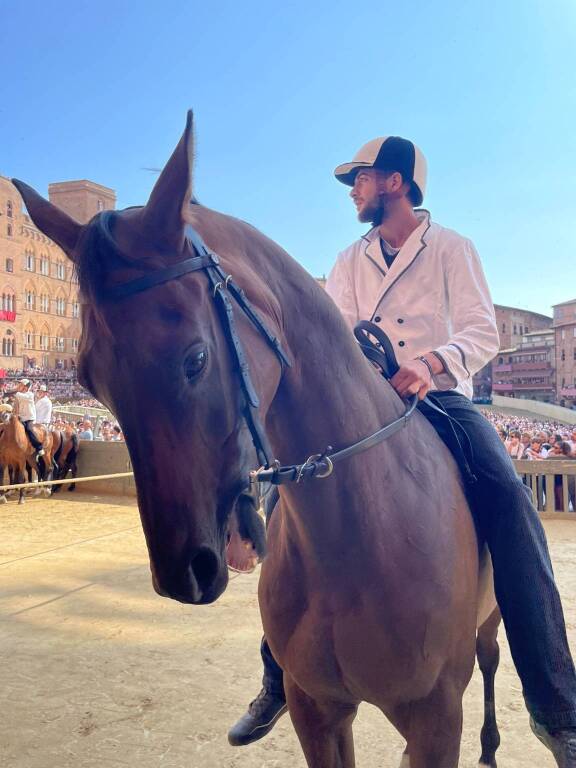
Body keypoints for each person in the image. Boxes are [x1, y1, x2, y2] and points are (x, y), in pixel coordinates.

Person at [228, 136, 576, 764]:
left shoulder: (450, 248)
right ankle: (280, 677)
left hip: (439, 400)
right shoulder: (347, 260)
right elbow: (330, 341)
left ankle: (557, 707)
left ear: (393, 182)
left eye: (359, 180)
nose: (353, 191)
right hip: (360, 411)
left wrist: (434, 361)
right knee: (290, 509)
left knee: (512, 507)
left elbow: (482, 330)